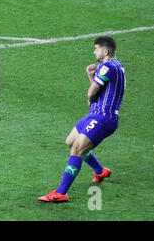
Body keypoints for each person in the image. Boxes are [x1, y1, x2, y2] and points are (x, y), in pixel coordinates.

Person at [38, 36, 125, 202]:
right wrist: (92, 77)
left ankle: (61, 193)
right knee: (71, 141)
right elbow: (100, 91)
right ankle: (100, 171)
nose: (94, 52)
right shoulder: (114, 65)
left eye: (96, 49)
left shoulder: (107, 67)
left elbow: (92, 93)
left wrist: (91, 87)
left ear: (105, 51)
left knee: (78, 148)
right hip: (96, 114)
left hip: (104, 118)